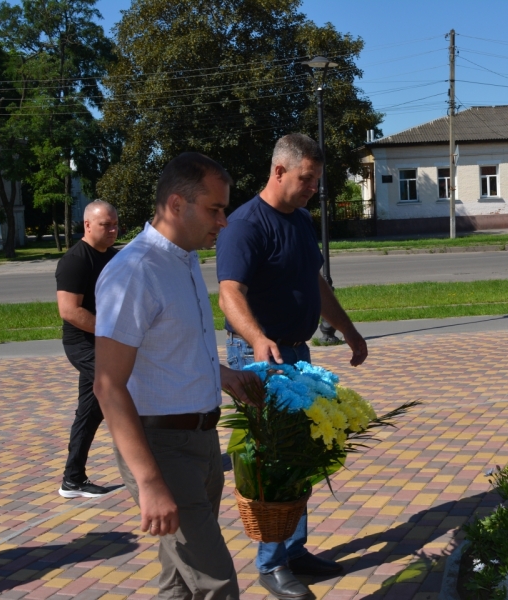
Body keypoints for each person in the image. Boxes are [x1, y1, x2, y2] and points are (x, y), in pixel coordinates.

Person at [94, 153, 258, 600]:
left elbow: (167, 347)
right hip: (161, 449)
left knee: (179, 580)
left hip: (202, 441)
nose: (224, 221)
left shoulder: (183, 258)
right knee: (216, 582)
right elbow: (108, 384)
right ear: (175, 204)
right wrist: (149, 482)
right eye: (215, 209)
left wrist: (221, 374)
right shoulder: (134, 271)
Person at [216, 133, 368, 600]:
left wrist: (348, 329)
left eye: (316, 181)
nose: (312, 189)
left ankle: (295, 550)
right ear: (278, 171)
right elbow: (230, 292)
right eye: (307, 179)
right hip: (259, 359)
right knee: (270, 463)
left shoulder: (301, 221)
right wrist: (258, 339)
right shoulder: (244, 225)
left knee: (301, 457)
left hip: (298, 356)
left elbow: (315, 282)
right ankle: (271, 563)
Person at [55, 200, 119, 498]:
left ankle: (72, 479)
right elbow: (69, 311)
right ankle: (154, 461)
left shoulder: (115, 258)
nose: (113, 230)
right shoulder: (75, 260)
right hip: (82, 343)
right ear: (88, 225)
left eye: (115, 224)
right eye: (106, 225)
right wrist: (111, 330)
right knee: (124, 388)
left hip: (106, 341)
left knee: (90, 410)